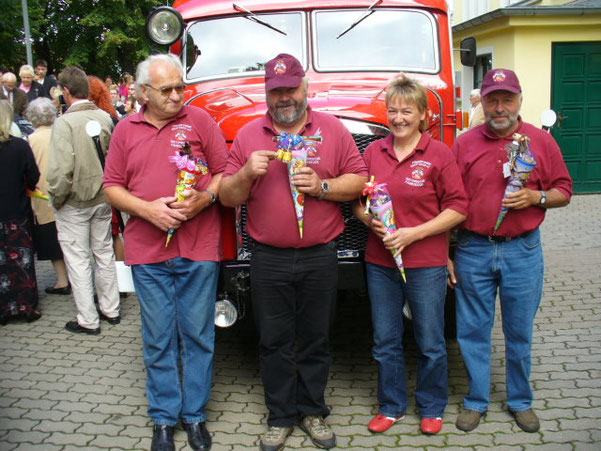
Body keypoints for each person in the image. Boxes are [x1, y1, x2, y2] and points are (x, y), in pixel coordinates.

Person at [219, 53, 368, 451]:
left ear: (306, 88)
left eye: (291, 89)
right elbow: (226, 196)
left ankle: (313, 411)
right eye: (276, 91)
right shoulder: (250, 135)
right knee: (273, 340)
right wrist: (245, 173)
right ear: (267, 94)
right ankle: (280, 416)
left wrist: (322, 187)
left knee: (316, 337)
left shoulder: (333, 130)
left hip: (321, 253)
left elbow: (359, 180)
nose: (285, 98)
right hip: (268, 256)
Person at [103, 53, 228, 451]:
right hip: (147, 250)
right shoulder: (125, 129)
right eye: (168, 89)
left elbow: (225, 174)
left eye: (181, 87)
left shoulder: (201, 121)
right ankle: (162, 418)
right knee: (157, 337)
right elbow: (111, 187)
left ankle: (194, 417)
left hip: (198, 247)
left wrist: (204, 198)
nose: (177, 95)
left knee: (197, 335)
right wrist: (147, 210)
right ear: (143, 93)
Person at [451, 68, 572, 434]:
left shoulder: (541, 141)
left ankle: (520, 401)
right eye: (493, 99)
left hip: (523, 250)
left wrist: (535, 197)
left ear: (519, 100)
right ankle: (476, 400)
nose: (499, 107)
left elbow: (564, 191)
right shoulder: (464, 143)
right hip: (473, 249)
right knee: (472, 330)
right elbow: (448, 201)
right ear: (483, 102)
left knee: (519, 331)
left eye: (507, 99)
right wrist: (446, 253)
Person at [353, 75, 468, 436]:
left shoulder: (439, 154)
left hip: (426, 263)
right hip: (380, 263)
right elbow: (357, 201)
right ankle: (391, 406)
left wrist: (414, 233)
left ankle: (431, 407)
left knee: (430, 341)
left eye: (407, 111)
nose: (398, 117)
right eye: (392, 110)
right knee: (385, 340)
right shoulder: (373, 152)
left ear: (423, 115)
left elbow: (459, 207)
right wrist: (369, 221)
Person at [47, 66, 120, 336]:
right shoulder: (104, 116)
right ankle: (111, 309)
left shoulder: (64, 123)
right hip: (103, 197)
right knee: (103, 253)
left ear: (66, 91)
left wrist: (57, 198)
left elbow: (60, 171)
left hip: (75, 202)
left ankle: (88, 319)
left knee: (78, 260)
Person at [0, 99, 41, 325]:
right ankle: (25, 306)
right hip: (16, 211)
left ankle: (4, 308)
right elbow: (33, 176)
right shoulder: (19, 146)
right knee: (21, 260)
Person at [24, 98, 70, 295]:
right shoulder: (63, 134)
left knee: (52, 239)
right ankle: (74, 277)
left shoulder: (30, 140)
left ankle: (62, 280)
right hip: (65, 191)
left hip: (42, 195)